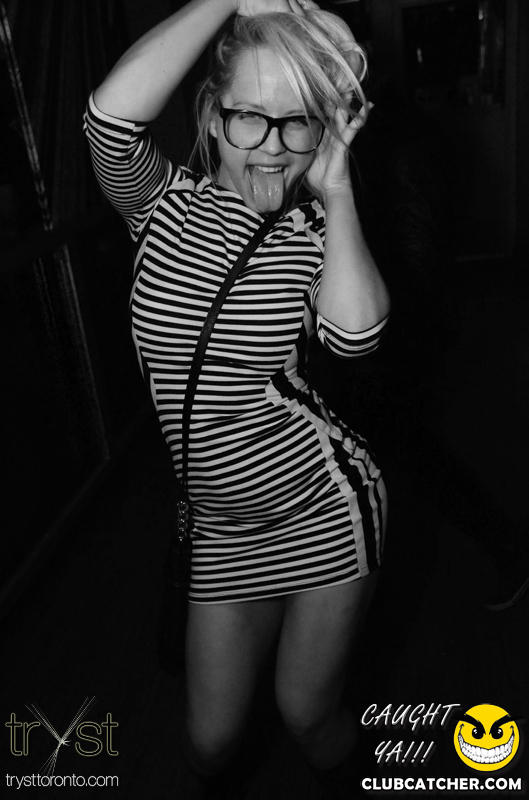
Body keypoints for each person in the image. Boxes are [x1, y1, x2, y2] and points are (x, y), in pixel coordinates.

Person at [84, 0, 390, 796]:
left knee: (306, 714)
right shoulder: (160, 207)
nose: (271, 146)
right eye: (249, 116)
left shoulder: (312, 233)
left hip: (320, 509)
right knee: (209, 742)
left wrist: (337, 192)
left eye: (298, 121)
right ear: (213, 118)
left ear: (323, 129)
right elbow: (107, 121)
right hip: (220, 532)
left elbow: (355, 337)